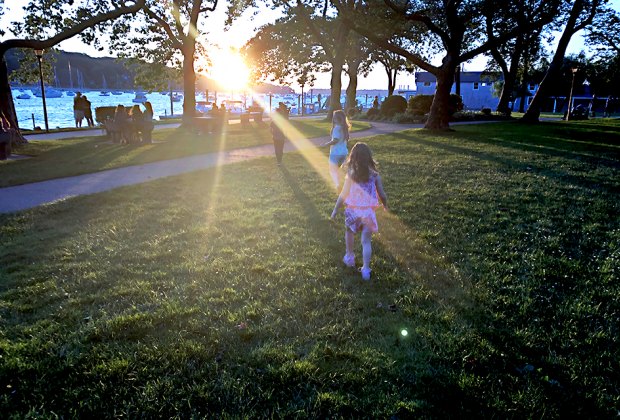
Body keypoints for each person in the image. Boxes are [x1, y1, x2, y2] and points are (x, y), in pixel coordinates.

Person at [330, 143, 388, 281]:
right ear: (369, 158)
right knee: (366, 241)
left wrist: (335, 210)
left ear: (353, 158)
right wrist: (385, 206)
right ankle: (366, 270)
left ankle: (349, 257)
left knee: (349, 232)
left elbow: (343, 194)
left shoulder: (351, 175)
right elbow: (382, 195)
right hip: (368, 213)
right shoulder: (374, 176)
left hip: (353, 212)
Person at [320, 109, 350, 188]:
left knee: (332, 170)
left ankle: (338, 185)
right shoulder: (345, 128)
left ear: (336, 119)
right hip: (344, 152)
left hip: (335, 153)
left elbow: (335, 140)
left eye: (334, 117)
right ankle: (346, 183)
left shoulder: (337, 128)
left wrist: (326, 144)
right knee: (341, 169)